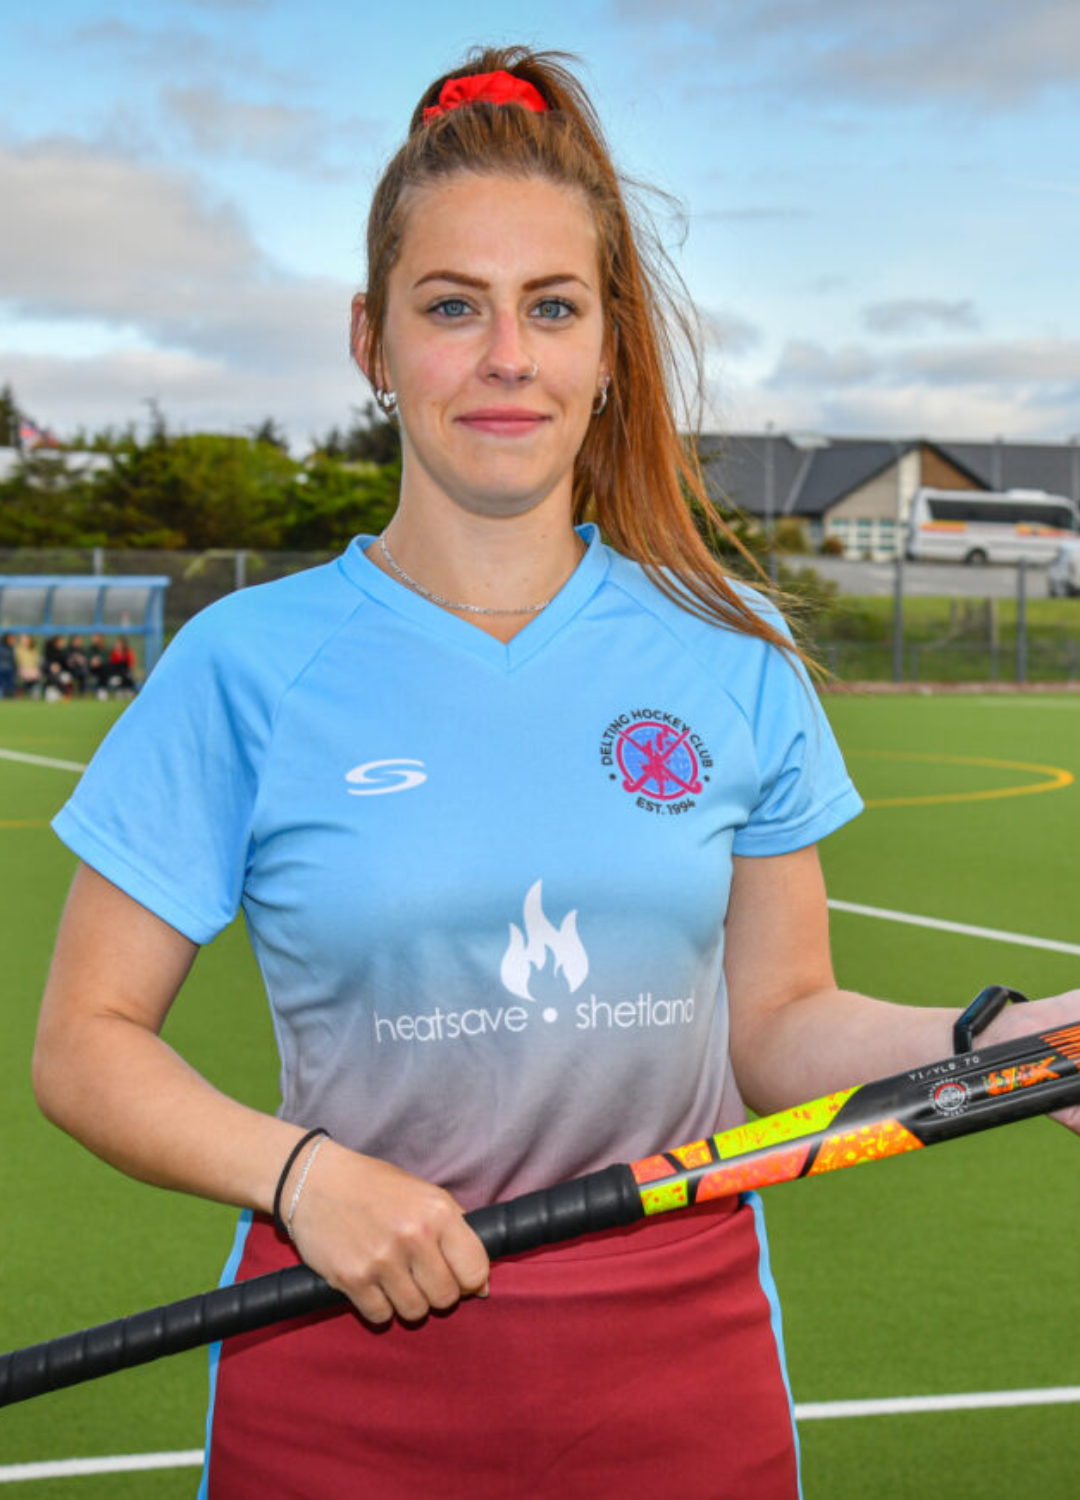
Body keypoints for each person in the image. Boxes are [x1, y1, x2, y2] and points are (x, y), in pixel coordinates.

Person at [32, 48, 1079, 1500]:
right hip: (335, 1379)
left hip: (680, 1385)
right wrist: (304, 1178)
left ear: (609, 345)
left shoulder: (732, 645)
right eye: (452, 306)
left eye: (553, 307)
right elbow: (84, 1042)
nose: (506, 356)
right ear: (372, 342)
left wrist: (1006, 1041)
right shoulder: (246, 664)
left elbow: (778, 1026)